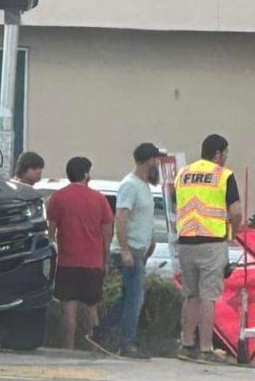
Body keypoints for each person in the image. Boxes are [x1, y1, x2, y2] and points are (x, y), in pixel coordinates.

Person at [92, 143, 163, 358]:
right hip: (128, 250)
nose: (158, 164)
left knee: (128, 298)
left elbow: (141, 218)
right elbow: (121, 218)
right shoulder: (130, 185)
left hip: (139, 249)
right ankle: (127, 344)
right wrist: (124, 250)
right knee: (135, 298)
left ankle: (100, 333)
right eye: (156, 160)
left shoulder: (144, 186)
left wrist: (149, 241)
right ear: (149, 160)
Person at [175, 134, 242, 362]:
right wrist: (232, 234)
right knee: (208, 297)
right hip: (212, 241)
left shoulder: (183, 174)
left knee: (190, 295)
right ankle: (205, 349)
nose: (225, 158)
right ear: (218, 153)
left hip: (185, 241)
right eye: (225, 154)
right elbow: (235, 212)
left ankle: (186, 345)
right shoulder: (224, 175)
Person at [47, 157, 114, 349]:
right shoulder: (99, 199)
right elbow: (107, 232)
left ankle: (68, 347)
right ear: (85, 174)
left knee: (69, 308)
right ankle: (95, 346)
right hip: (93, 262)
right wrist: (105, 258)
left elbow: (51, 231)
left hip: (67, 261)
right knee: (92, 307)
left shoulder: (58, 197)